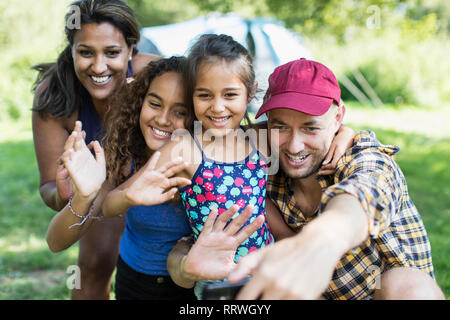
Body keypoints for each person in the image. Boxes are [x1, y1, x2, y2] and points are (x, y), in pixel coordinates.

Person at [118, 34, 355, 299]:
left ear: (251, 92)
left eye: (230, 94)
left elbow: (305, 127)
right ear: (192, 94)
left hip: (267, 271)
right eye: (204, 95)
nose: (218, 107)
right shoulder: (183, 149)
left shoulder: (257, 140)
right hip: (218, 280)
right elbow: (111, 202)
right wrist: (129, 197)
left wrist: (344, 132)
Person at [225, 58, 445, 299]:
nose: (295, 146)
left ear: (339, 117)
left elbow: (363, 195)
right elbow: (214, 138)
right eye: (281, 127)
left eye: (311, 128)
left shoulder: (367, 159)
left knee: (406, 283)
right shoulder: (258, 157)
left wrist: (323, 240)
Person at [32, 0, 158, 299]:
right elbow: (48, 187)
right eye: (85, 52)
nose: (99, 67)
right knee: (93, 263)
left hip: (157, 176)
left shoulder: (155, 76)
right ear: (71, 50)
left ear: (131, 48)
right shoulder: (53, 96)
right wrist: (67, 193)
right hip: (103, 187)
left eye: (112, 53)